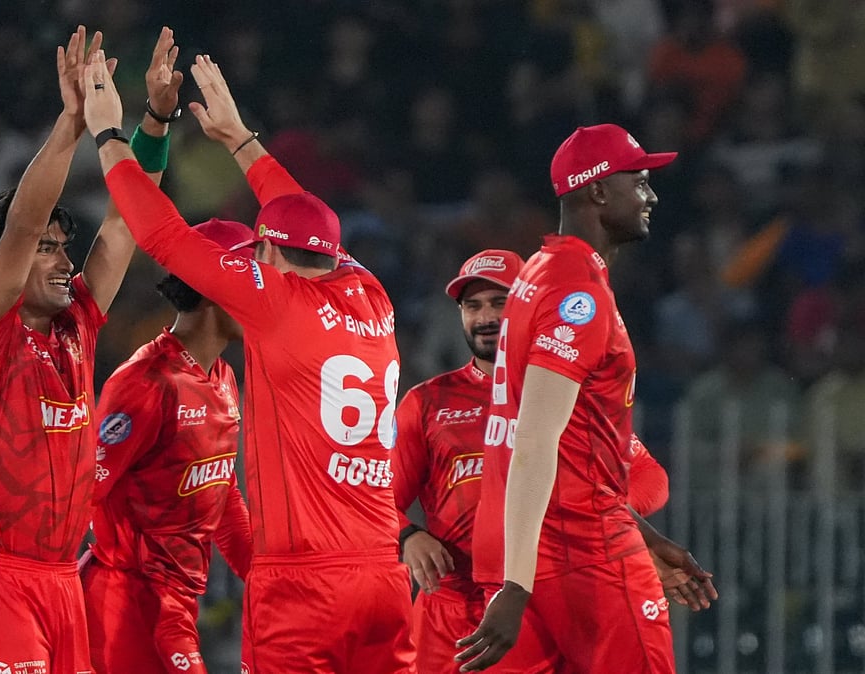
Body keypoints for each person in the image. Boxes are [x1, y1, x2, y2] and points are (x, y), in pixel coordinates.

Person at [82, 49, 416, 672]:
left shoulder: (275, 300)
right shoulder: (372, 295)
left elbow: (161, 235)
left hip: (304, 584)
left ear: (264, 251)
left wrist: (108, 136)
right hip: (382, 577)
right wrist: (240, 138)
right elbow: (311, 223)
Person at [0, 26, 183, 673]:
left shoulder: (78, 323)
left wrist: (155, 119)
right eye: (47, 249)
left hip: (58, 579)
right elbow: (21, 220)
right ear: (4, 264)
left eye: (61, 248)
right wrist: (74, 124)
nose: (63, 261)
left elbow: (127, 219)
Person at [458, 124, 718, 672]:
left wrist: (642, 535)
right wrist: (517, 585)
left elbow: (567, 441)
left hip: (536, 543)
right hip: (584, 551)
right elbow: (534, 438)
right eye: (639, 182)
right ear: (598, 191)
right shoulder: (577, 292)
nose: (650, 196)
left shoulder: (538, 272)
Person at [393, 250, 675, 674]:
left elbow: (650, 475)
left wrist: (599, 516)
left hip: (540, 591)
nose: (485, 317)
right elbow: (379, 495)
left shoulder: (557, 389)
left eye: (499, 302)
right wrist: (408, 536)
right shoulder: (427, 402)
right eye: (473, 306)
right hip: (452, 603)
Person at [82, 218, 255, 674]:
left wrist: (265, 580)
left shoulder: (223, 378)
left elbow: (223, 492)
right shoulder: (146, 383)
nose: (263, 295)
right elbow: (82, 493)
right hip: (123, 604)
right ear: (213, 285)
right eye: (251, 279)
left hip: (177, 605)